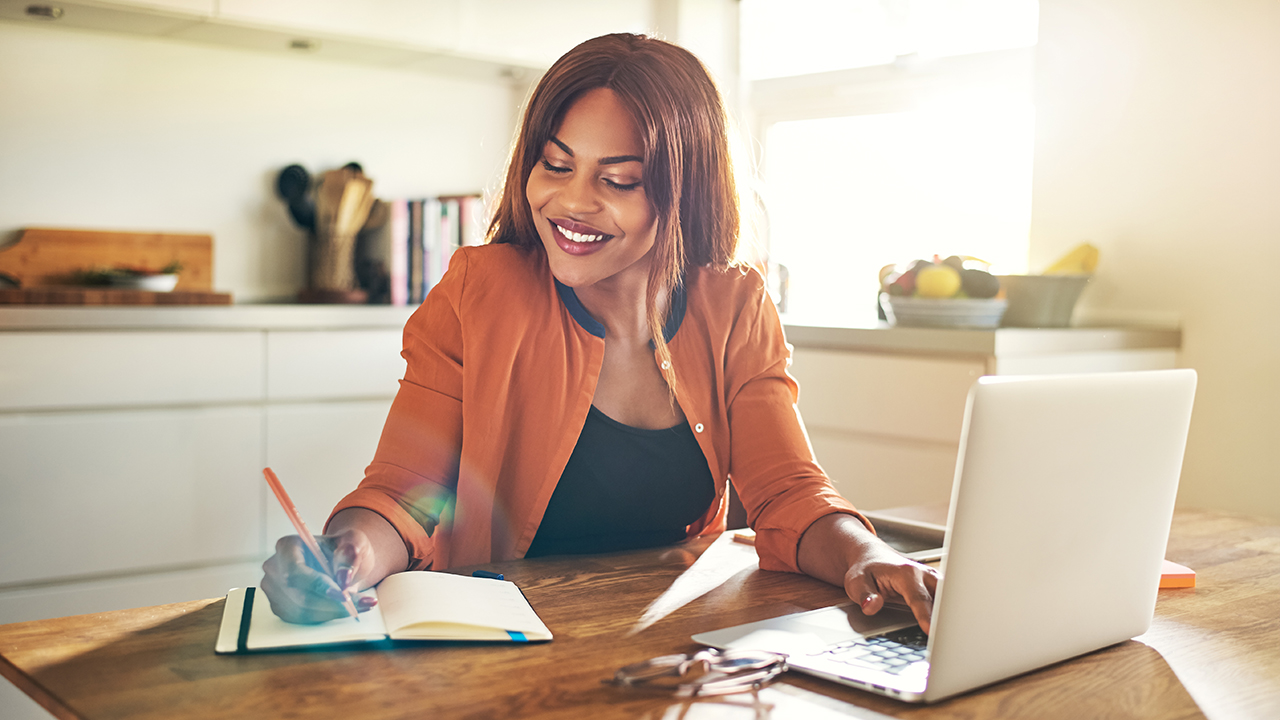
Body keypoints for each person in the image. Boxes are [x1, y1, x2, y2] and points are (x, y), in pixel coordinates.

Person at [261, 33, 938, 631]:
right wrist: (345, 552)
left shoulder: (735, 307)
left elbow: (789, 494)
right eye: (556, 165)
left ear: (684, 192)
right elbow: (400, 497)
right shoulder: (478, 291)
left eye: (618, 179)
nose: (573, 202)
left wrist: (866, 554)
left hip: (667, 645)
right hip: (493, 651)